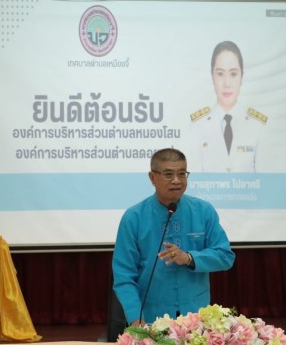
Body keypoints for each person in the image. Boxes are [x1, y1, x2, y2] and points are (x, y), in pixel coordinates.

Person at [112, 148, 235, 327]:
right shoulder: (134, 217)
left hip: (197, 318)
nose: (177, 180)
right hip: (151, 319)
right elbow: (124, 276)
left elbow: (225, 256)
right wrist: (136, 319)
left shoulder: (203, 211)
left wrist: (189, 258)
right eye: (168, 174)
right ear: (152, 178)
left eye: (182, 174)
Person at [190, 41, 268, 172]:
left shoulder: (258, 126)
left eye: (233, 74)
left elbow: (266, 179)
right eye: (220, 74)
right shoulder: (197, 127)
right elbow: (193, 179)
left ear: (242, 76)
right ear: (212, 76)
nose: (227, 83)